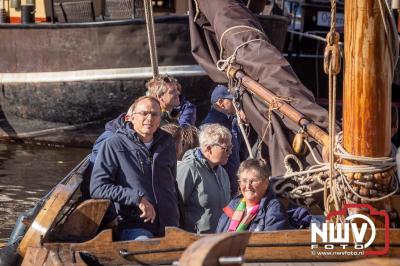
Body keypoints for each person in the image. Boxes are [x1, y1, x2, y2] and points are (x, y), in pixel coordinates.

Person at [90, 96, 180, 240]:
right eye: (144, 113)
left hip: (170, 226)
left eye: (154, 114)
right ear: (131, 118)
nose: (149, 118)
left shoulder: (167, 142)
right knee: (146, 251)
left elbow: (172, 184)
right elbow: (98, 188)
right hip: (135, 226)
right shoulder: (114, 145)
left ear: (160, 119)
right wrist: (136, 198)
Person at [177, 123, 232, 233]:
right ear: (208, 149)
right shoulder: (188, 169)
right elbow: (175, 208)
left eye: (231, 147)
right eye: (226, 149)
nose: (230, 152)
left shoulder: (222, 172)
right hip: (194, 242)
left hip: (219, 240)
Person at [216, 159, 288, 232]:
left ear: (266, 183)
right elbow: (218, 235)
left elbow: (271, 240)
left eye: (253, 181)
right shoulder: (233, 205)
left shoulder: (273, 208)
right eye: (244, 180)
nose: (248, 186)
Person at [201, 84, 242, 196]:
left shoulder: (228, 122)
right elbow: (210, 161)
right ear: (221, 103)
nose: (236, 103)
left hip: (228, 186)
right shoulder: (211, 126)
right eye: (232, 100)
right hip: (222, 189)